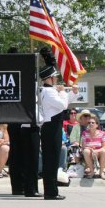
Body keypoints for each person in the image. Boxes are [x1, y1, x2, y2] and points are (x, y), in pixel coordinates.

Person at [38, 49, 68, 200]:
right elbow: (62, 105)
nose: (56, 79)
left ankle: (52, 190)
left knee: (52, 159)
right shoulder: (49, 92)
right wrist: (63, 92)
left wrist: (71, 92)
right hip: (51, 126)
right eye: (55, 77)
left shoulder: (48, 90)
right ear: (49, 78)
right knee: (51, 160)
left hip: (51, 125)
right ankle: (51, 191)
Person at [81, 115, 105, 180]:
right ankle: (92, 172)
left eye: (93, 123)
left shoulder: (102, 133)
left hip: (99, 152)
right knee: (85, 151)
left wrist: (97, 151)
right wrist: (91, 149)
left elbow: (104, 146)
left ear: (97, 125)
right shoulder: (85, 133)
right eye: (89, 123)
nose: (90, 124)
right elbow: (84, 146)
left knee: (104, 152)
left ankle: (101, 172)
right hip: (89, 152)